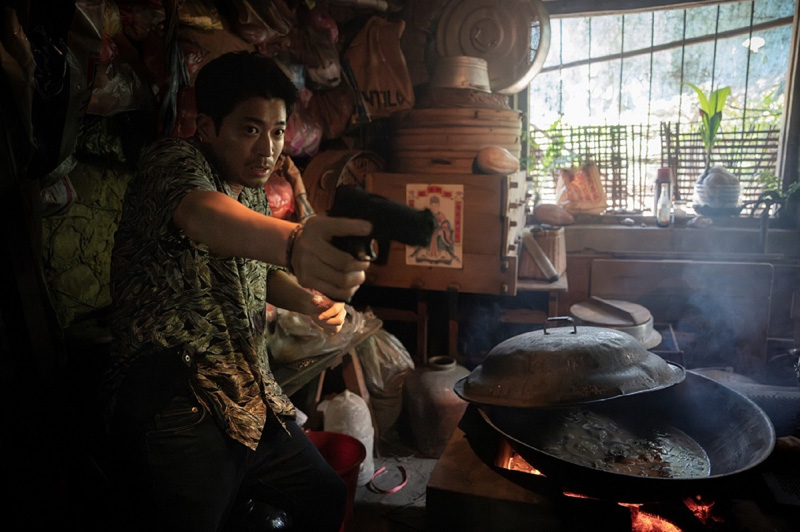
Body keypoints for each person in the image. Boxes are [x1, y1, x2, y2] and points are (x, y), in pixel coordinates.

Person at [104, 51, 372, 532]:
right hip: (177, 401)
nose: (267, 149)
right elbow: (202, 216)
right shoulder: (173, 162)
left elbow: (256, 272)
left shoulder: (250, 187)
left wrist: (313, 302)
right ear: (207, 127)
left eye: (277, 130)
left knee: (325, 496)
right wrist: (293, 241)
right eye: (250, 129)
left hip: (248, 395)